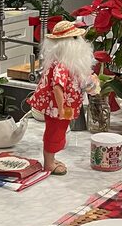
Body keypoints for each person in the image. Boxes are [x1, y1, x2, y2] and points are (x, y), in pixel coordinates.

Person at [27, 20, 96, 175]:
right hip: (57, 109)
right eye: (75, 38)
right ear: (67, 44)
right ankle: (49, 163)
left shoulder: (67, 63)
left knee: (58, 131)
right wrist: (61, 108)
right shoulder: (62, 66)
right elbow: (58, 87)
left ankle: (51, 160)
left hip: (62, 108)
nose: (80, 41)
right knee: (54, 133)